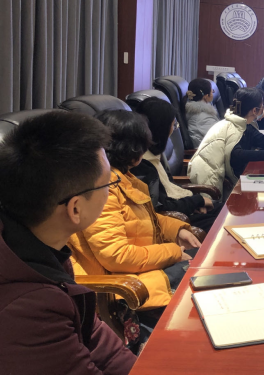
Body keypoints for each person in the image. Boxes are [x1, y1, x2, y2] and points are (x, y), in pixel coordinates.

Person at [0, 111, 136, 373]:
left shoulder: (39, 248)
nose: (111, 189)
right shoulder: (28, 310)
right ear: (75, 209)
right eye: (108, 183)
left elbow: (96, 340)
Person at [68, 111, 201, 325]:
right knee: (205, 279)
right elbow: (116, 256)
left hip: (139, 273)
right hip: (120, 290)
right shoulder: (102, 188)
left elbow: (144, 220)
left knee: (205, 264)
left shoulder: (121, 178)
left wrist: (177, 230)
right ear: (135, 152)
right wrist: (173, 252)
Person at [133, 97, 223, 232]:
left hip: (181, 208)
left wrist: (194, 202)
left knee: (227, 211)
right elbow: (161, 207)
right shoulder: (141, 164)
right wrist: (197, 201)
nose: (174, 129)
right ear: (161, 128)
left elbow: (170, 187)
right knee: (225, 224)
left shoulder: (154, 154)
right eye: (173, 125)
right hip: (173, 221)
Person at [184, 78, 220, 147]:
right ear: (206, 96)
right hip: (208, 150)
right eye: (212, 92)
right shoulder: (202, 117)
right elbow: (220, 136)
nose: (213, 94)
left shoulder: (198, 112)